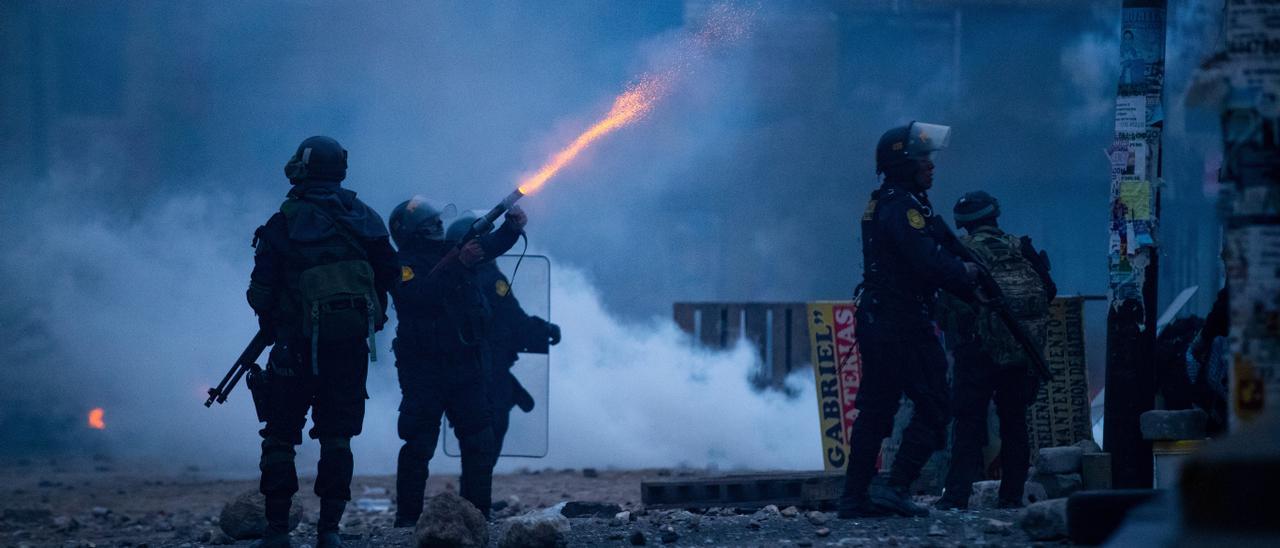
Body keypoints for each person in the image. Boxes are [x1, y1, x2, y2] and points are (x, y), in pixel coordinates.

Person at [246, 136, 398, 548]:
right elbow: (393, 274)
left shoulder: (284, 222)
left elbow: (260, 292)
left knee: (280, 437)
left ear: (303, 168)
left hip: (293, 348)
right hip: (349, 350)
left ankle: (277, 531)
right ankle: (329, 531)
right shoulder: (367, 219)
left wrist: (277, 318)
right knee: (337, 438)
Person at [838, 121, 979, 519]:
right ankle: (896, 487)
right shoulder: (903, 207)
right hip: (900, 320)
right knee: (935, 402)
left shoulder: (891, 201)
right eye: (923, 160)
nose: (931, 167)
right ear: (903, 164)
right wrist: (965, 275)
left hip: (883, 317)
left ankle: (854, 498)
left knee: (879, 408)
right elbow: (926, 260)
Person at [389, 197, 525, 526]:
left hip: (465, 366)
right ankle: (407, 522)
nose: (437, 228)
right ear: (413, 233)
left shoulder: (451, 250)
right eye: (430, 225)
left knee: (479, 441)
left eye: (437, 223)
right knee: (419, 445)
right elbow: (419, 297)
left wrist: (510, 228)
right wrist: (459, 264)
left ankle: (478, 516)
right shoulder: (402, 265)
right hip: (424, 370)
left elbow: (488, 247)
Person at [934, 190, 1055, 510]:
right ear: (994, 215)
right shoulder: (1021, 247)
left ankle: (956, 496)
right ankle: (1011, 495)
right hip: (1021, 349)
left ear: (963, 223)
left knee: (968, 422)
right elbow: (1049, 291)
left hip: (977, 350)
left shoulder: (961, 252)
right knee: (1014, 421)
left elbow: (948, 305)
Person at [445, 213, 561, 460]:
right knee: (487, 434)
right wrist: (544, 330)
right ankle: (474, 498)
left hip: (464, 367)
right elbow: (512, 319)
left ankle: (471, 496)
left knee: (474, 434)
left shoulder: (451, 275)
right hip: (488, 368)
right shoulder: (487, 277)